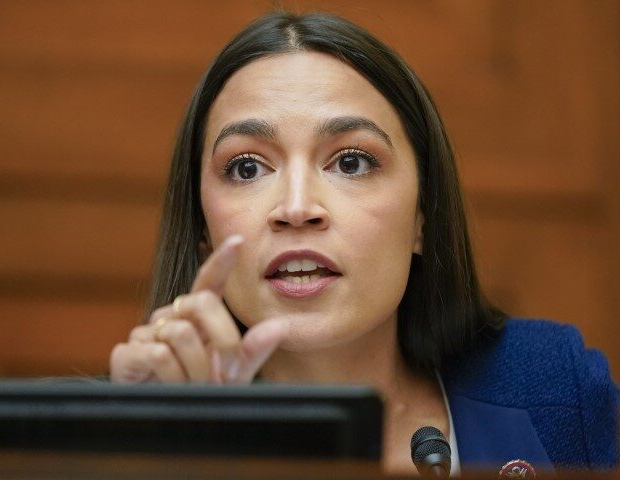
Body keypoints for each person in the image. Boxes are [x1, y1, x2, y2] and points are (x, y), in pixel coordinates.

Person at [109, 11, 618, 474]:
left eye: (351, 162)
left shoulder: (556, 389)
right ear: (202, 230)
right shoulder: (135, 440)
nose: (296, 207)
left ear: (422, 216)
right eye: (247, 168)